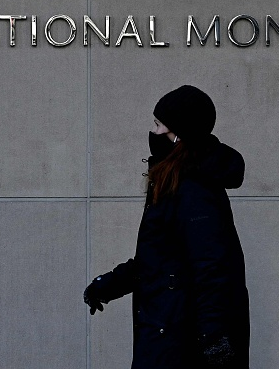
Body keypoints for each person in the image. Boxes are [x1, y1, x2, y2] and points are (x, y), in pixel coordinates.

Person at [84, 85, 250, 369]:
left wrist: (214, 339)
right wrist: (109, 284)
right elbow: (160, 259)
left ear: (179, 136)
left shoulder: (195, 189)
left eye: (159, 125)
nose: (154, 132)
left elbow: (213, 267)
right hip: (168, 333)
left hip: (180, 342)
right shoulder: (177, 180)